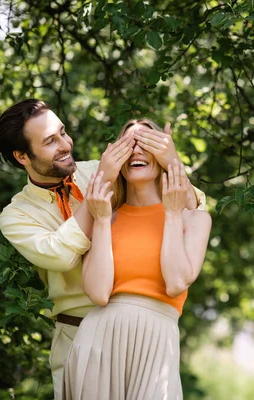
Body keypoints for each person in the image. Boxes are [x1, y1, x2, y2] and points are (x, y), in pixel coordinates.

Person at [0, 99, 206, 399]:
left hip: (146, 329)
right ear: (22, 156)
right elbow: (62, 254)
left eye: (63, 132)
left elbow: (193, 202)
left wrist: (171, 161)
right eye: (50, 141)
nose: (66, 144)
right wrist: (104, 181)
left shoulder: (101, 169)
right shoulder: (17, 216)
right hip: (78, 335)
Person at [63, 119, 212, 400]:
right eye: (128, 145)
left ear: (162, 154)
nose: (137, 151)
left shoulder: (194, 218)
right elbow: (98, 293)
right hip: (99, 340)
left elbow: (176, 282)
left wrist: (172, 212)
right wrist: (103, 220)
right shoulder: (104, 216)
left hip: (158, 344)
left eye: (147, 143)